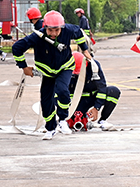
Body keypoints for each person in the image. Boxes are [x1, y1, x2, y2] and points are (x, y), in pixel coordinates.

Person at [11, 10, 93, 140]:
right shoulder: (37, 36)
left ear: (62, 28)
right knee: (46, 100)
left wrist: (85, 50)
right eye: (50, 31)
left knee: (63, 91)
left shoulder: (68, 30)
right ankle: (50, 128)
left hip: (64, 67)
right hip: (46, 71)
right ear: (45, 27)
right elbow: (17, 48)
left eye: (57, 30)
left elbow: (79, 33)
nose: (53, 34)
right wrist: (24, 67)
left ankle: (62, 120)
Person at [68, 51, 121, 131]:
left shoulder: (94, 66)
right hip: (73, 101)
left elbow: (102, 87)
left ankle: (102, 121)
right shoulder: (64, 67)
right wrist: (65, 112)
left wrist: (97, 107)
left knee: (113, 91)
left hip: (91, 98)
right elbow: (57, 91)